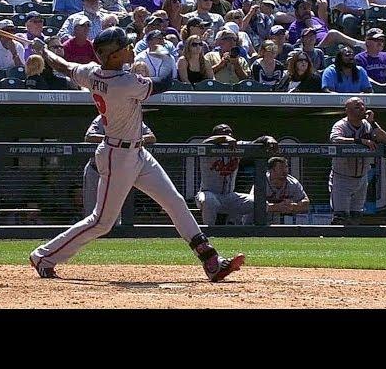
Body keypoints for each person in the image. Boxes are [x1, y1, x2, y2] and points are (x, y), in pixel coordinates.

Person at [29, 28, 246, 282]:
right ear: (111, 56)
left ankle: (210, 260)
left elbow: (65, 66)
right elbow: (164, 82)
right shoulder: (124, 83)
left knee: (174, 202)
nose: (130, 49)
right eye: (124, 46)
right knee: (102, 222)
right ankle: (44, 256)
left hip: (137, 152)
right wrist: (173, 57)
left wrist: (43, 50)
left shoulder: (91, 72)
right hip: (117, 156)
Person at [196, 123, 278, 225]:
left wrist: (269, 139)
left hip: (229, 195)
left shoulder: (237, 146)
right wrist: (224, 138)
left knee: (260, 203)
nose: (229, 134)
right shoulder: (208, 146)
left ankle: (247, 231)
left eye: (230, 132)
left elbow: (257, 142)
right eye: (225, 131)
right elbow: (208, 141)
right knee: (209, 201)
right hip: (209, 193)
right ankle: (209, 232)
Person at [82, 115, 156, 224]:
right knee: (91, 213)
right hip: (96, 171)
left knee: (113, 215)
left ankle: (112, 237)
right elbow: (89, 137)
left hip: (117, 173)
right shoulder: (103, 118)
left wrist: (135, 140)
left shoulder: (134, 120)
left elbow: (152, 137)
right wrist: (116, 141)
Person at [329, 97, 386, 225]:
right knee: (340, 218)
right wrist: (359, 141)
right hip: (342, 178)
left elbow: (385, 140)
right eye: (357, 106)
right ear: (348, 110)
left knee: (356, 217)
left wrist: (373, 123)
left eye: (363, 105)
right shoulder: (341, 125)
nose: (362, 108)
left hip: (362, 178)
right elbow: (335, 139)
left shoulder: (368, 125)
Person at [249, 157, 310, 224]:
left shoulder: (293, 183)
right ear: (271, 170)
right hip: (254, 220)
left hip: (275, 220)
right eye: (281, 168)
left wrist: (293, 206)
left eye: (286, 167)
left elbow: (306, 203)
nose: (285, 171)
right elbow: (252, 204)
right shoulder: (261, 182)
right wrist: (276, 207)